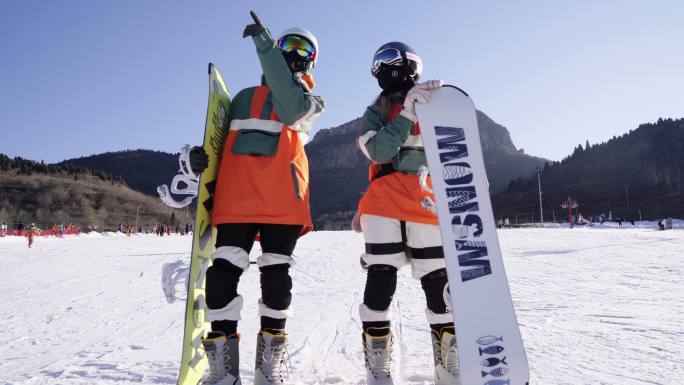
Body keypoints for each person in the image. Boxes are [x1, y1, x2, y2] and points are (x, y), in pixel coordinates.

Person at [188, 11, 324, 385]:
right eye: (288, 45)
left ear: (310, 62)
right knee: (222, 276)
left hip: (283, 199)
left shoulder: (309, 100)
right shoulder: (241, 98)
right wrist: (195, 159)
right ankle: (224, 370)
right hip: (236, 197)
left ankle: (269, 369)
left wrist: (267, 45)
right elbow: (215, 144)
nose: (294, 53)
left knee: (276, 277)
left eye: (303, 48)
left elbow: (291, 105)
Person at [352, 41, 459, 385]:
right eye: (375, 62)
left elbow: (455, 150)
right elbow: (380, 151)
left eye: (385, 60)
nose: (378, 68)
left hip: (426, 202)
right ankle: (379, 368)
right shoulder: (376, 110)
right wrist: (407, 114)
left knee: (438, 284)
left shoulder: (435, 103)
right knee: (381, 279)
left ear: (408, 63)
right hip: (383, 202)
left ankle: (449, 365)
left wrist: (440, 105)